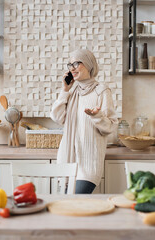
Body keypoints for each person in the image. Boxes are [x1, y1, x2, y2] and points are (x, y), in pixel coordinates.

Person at [50, 49, 118, 194]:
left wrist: (97, 116)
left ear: (88, 64)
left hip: (89, 162)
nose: (72, 68)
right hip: (67, 160)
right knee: (69, 209)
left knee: (76, 200)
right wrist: (64, 90)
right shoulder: (72, 92)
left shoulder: (101, 91)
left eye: (76, 63)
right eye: (70, 65)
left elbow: (110, 126)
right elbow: (57, 117)